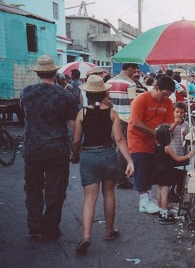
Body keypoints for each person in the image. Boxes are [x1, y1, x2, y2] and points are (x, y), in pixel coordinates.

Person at [71, 75, 135, 255]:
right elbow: (119, 139)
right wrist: (129, 161)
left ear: (88, 94)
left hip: (88, 156)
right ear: (104, 93)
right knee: (108, 193)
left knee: (89, 198)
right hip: (108, 155)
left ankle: (86, 235)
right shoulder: (112, 113)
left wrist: (75, 153)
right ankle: (109, 230)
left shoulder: (82, 113)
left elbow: (76, 141)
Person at [21, 55, 78, 240]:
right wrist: (75, 148)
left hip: (32, 149)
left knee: (33, 188)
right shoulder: (65, 95)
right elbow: (73, 125)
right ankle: (50, 227)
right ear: (55, 73)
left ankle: (34, 224)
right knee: (56, 190)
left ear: (37, 73)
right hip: (57, 149)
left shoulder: (26, 93)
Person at [127, 76, 175, 213]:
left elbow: (168, 123)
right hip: (138, 139)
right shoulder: (141, 99)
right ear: (157, 88)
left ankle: (148, 196)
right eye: (164, 94)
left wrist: (166, 133)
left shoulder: (168, 102)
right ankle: (143, 199)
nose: (165, 98)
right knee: (141, 166)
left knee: (151, 168)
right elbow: (136, 122)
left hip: (156, 141)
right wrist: (156, 133)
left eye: (168, 95)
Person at [153, 123, 195, 224]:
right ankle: (164, 215)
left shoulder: (157, 146)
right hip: (166, 172)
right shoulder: (167, 147)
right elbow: (177, 159)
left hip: (158, 171)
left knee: (159, 193)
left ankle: (161, 212)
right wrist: (188, 156)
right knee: (165, 195)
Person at [107, 63, 138, 189]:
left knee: (113, 147)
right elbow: (133, 102)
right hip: (125, 119)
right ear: (129, 69)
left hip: (111, 117)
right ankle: (121, 179)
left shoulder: (109, 81)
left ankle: (113, 176)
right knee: (122, 149)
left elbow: (107, 99)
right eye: (134, 71)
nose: (135, 73)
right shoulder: (130, 83)